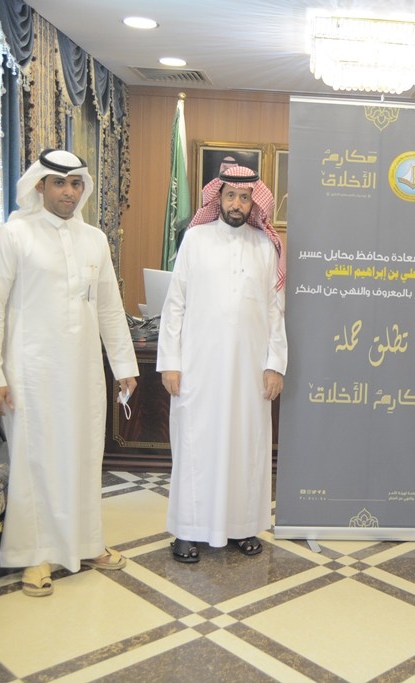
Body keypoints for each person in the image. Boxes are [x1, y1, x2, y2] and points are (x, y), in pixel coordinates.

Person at [0, 149, 139, 597]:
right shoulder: (13, 235)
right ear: (40, 186)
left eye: (76, 183)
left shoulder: (95, 240)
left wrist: (124, 365)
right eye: (59, 183)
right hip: (30, 371)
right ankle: (34, 555)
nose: (69, 192)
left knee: (84, 456)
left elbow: (109, 307)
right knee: (36, 461)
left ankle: (87, 543)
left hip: (83, 370)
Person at [158, 166, 287, 563]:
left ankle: (241, 526)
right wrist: (170, 362)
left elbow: (275, 311)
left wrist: (275, 364)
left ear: (253, 202)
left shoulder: (265, 246)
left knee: (245, 447)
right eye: (230, 195)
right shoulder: (195, 239)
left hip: (249, 370)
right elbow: (175, 304)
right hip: (199, 367)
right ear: (218, 197)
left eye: (244, 197)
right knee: (196, 445)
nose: (236, 204)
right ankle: (187, 530)